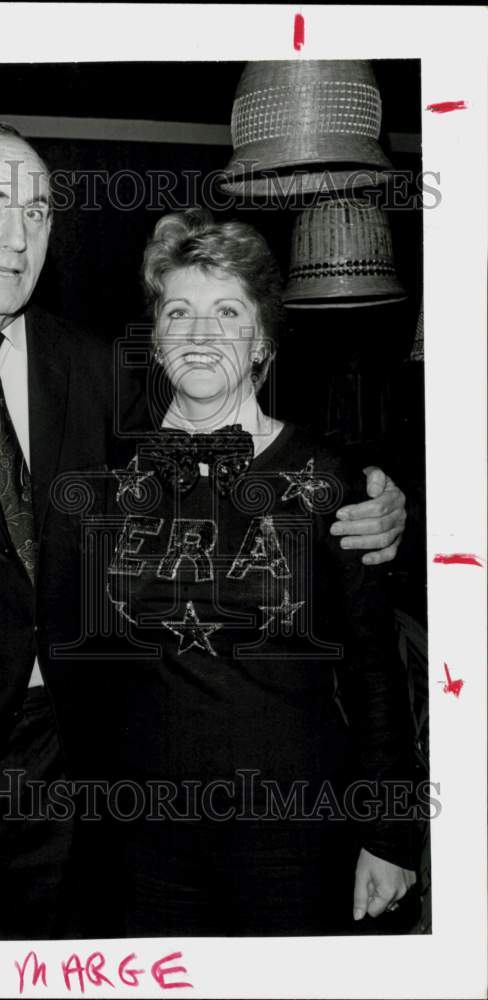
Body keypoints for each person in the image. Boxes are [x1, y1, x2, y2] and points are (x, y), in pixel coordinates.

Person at [0, 121, 408, 941]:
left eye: (41, 210)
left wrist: (387, 499)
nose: (19, 237)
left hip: (77, 791)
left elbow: (240, 441)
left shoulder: (85, 367)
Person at [66, 210, 418, 937]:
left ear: (262, 339)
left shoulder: (327, 477)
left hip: (294, 833)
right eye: (179, 311)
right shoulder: (106, 472)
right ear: (156, 337)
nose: (200, 334)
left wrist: (389, 832)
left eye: (227, 312)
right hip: (141, 837)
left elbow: (376, 671)